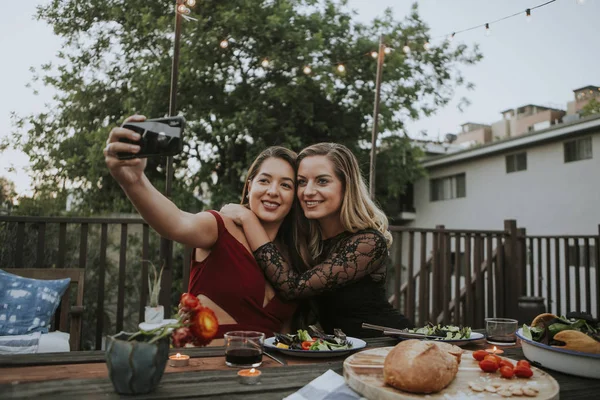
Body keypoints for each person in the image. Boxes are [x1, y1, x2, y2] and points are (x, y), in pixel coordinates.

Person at [104, 114, 301, 339]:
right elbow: (176, 222)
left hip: (271, 369)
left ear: (295, 196)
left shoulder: (292, 256)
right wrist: (134, 181)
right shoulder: (220, 226)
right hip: (205, 365)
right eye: (264, 181)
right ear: (249, 187)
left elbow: (287, 333)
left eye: (285, 185)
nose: (273, 191)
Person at [221, 142, 413, 338]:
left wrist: (247, 219)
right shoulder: (306, 240)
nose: (308, 191)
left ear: (346, 186)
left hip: (385, 344)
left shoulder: (368, 243)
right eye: (302, 182)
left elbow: (292, 288)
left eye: (322, 181)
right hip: (338, 350)